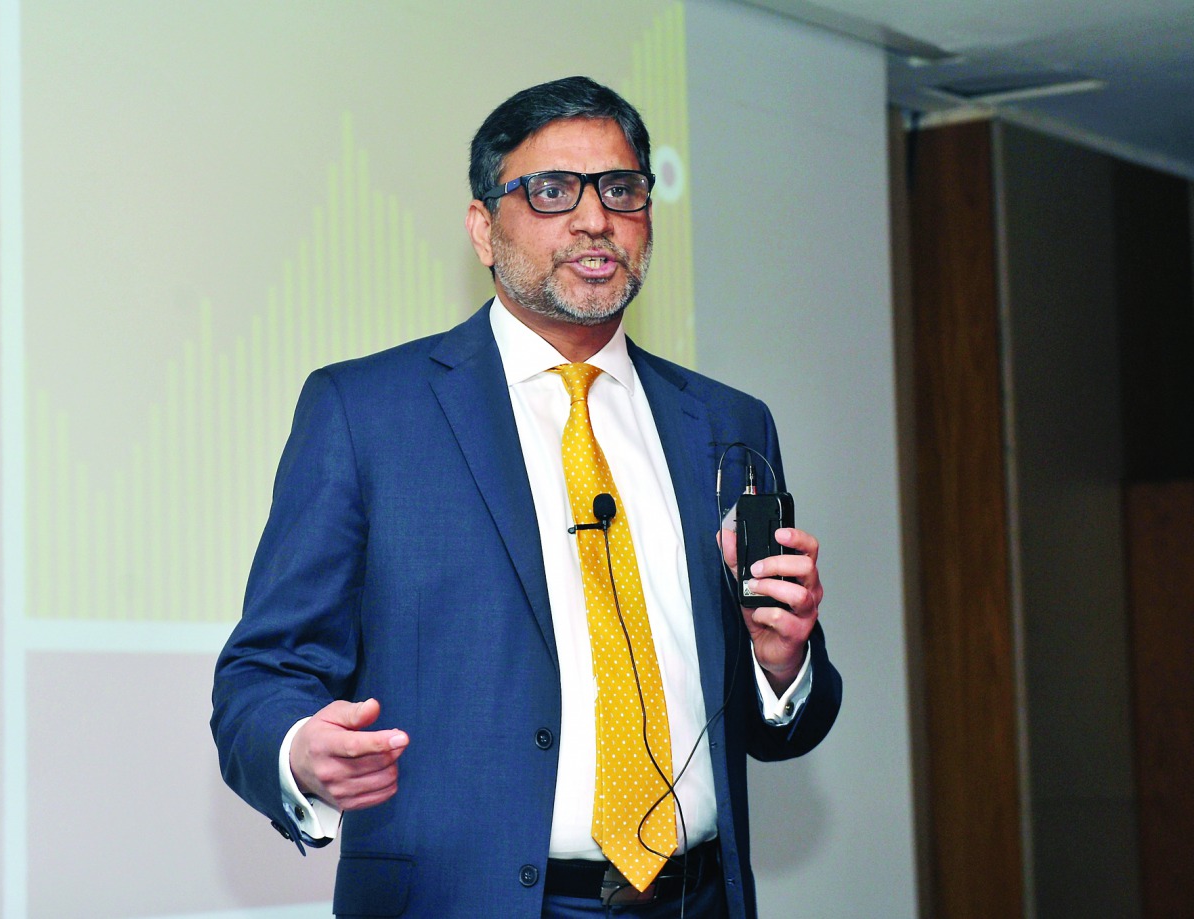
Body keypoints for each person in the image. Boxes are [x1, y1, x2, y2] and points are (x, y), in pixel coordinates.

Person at [212, 76, 841, 919]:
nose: (594, 219)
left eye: (621, 190)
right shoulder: (366, 411)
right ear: (483, 227)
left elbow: (782, 724)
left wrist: (784, 660)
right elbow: (262, 671)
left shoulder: (727, 422)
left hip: (698, 898)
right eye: (551, 191)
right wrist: (297, 750)